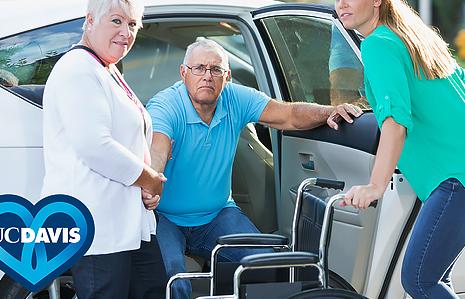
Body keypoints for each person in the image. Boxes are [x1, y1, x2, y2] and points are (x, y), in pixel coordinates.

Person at [331, 0, 465, 298]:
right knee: (435, 278)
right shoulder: (411, 35)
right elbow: (435, 98)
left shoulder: (377, 44)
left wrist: (375, 185)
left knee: (420, 281)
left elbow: (396, 122)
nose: (342, 5)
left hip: (457, 174)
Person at [144, 38, 363, 299]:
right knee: (172, 278)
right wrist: (154, 179)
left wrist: (329, 111)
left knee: (266, 266)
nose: (207, 76)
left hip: (217, 215)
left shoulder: (236, 98)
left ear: (227, 77)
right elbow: (157, 147)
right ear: (183, 73)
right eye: (199, 68)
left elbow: (289, 115)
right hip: (165, 217)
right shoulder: (166, 105)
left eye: (216, 70)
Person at [41, 0, 167, 299]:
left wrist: (145, 186)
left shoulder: (106, 68)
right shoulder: (77, 69)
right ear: (90, 21)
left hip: (128, 226)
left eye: (133, 24)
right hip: (98, 229)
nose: (126, 32)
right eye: (116, 21)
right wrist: (150, 180)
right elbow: (95, 146)